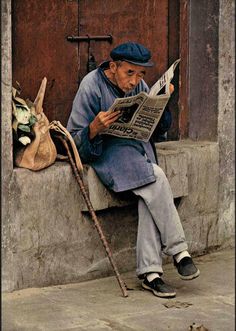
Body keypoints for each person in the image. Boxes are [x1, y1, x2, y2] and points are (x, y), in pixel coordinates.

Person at [67, 41, 200, 298]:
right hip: (108, 154)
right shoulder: (91, 85)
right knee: (156, 177)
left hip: (137, 152)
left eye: (141, 74)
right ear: (113, 66)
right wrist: (94, 128)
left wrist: (162, 102)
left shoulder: (138, 86)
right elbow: (73, 141)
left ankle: (151, 274)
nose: (135, 80)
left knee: (149, 193)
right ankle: (179, 251)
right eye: (130, 73)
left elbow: (155, 130)